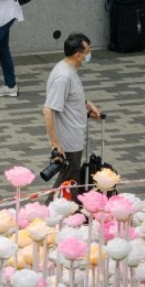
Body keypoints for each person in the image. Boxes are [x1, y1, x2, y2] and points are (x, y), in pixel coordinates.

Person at [43, 33, 102, 191]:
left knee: (70, 180)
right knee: (67, 181)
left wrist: (86, 105)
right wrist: (55, 143)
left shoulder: (67, 69)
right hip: (68, 141)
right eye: (87, 52)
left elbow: (69, 98)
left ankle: (66, 211)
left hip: (74, 136)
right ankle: (49, 212)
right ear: (78, 55)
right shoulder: (64, 76)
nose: (89, 55)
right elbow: (48, 109)